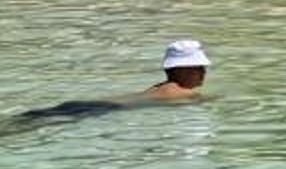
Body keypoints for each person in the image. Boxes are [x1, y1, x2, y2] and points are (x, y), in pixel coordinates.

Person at [19, 39, 212, 121]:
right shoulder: (186, 94)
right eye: (199, 67)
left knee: (25, 121)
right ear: (184, 69)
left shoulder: (158, 88)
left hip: (89, 105)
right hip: (101, 109)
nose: (203, 72)